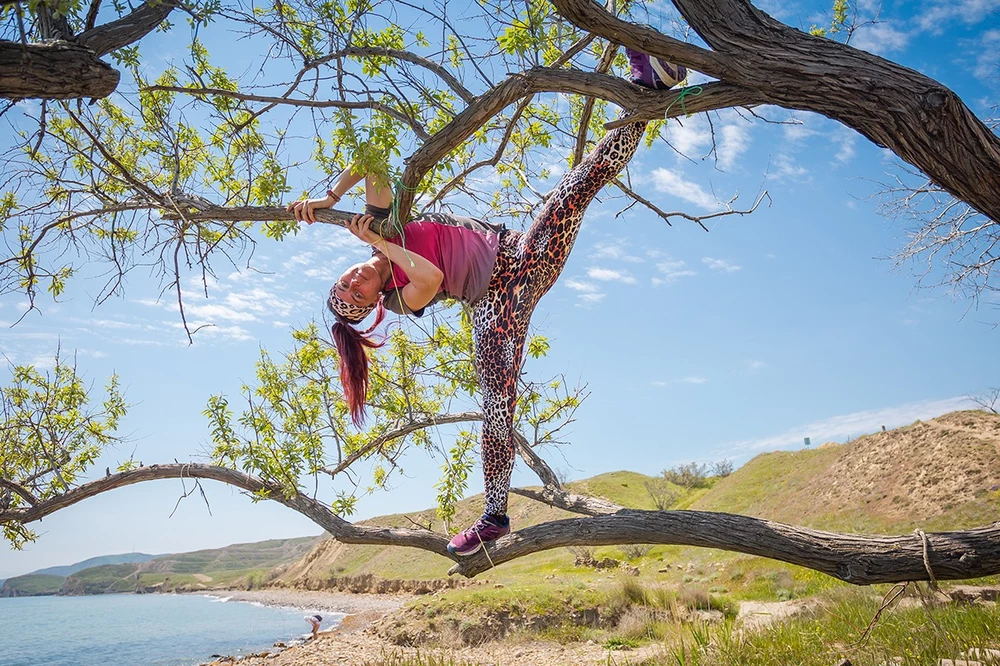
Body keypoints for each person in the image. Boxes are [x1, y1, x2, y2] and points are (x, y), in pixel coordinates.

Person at [287, 49, 686, 558]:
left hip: (517, 248)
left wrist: (327, 200)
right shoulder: (402, 296)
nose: (355, 283)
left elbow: (371, 158)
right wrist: (383, 244)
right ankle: (494, 515)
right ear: (372, 307)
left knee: (579, 184)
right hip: (500, 299)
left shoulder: (382, 228)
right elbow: (430, 275)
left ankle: (652, 88)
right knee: (496, 404)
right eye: (356, 296)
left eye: (344, 284)